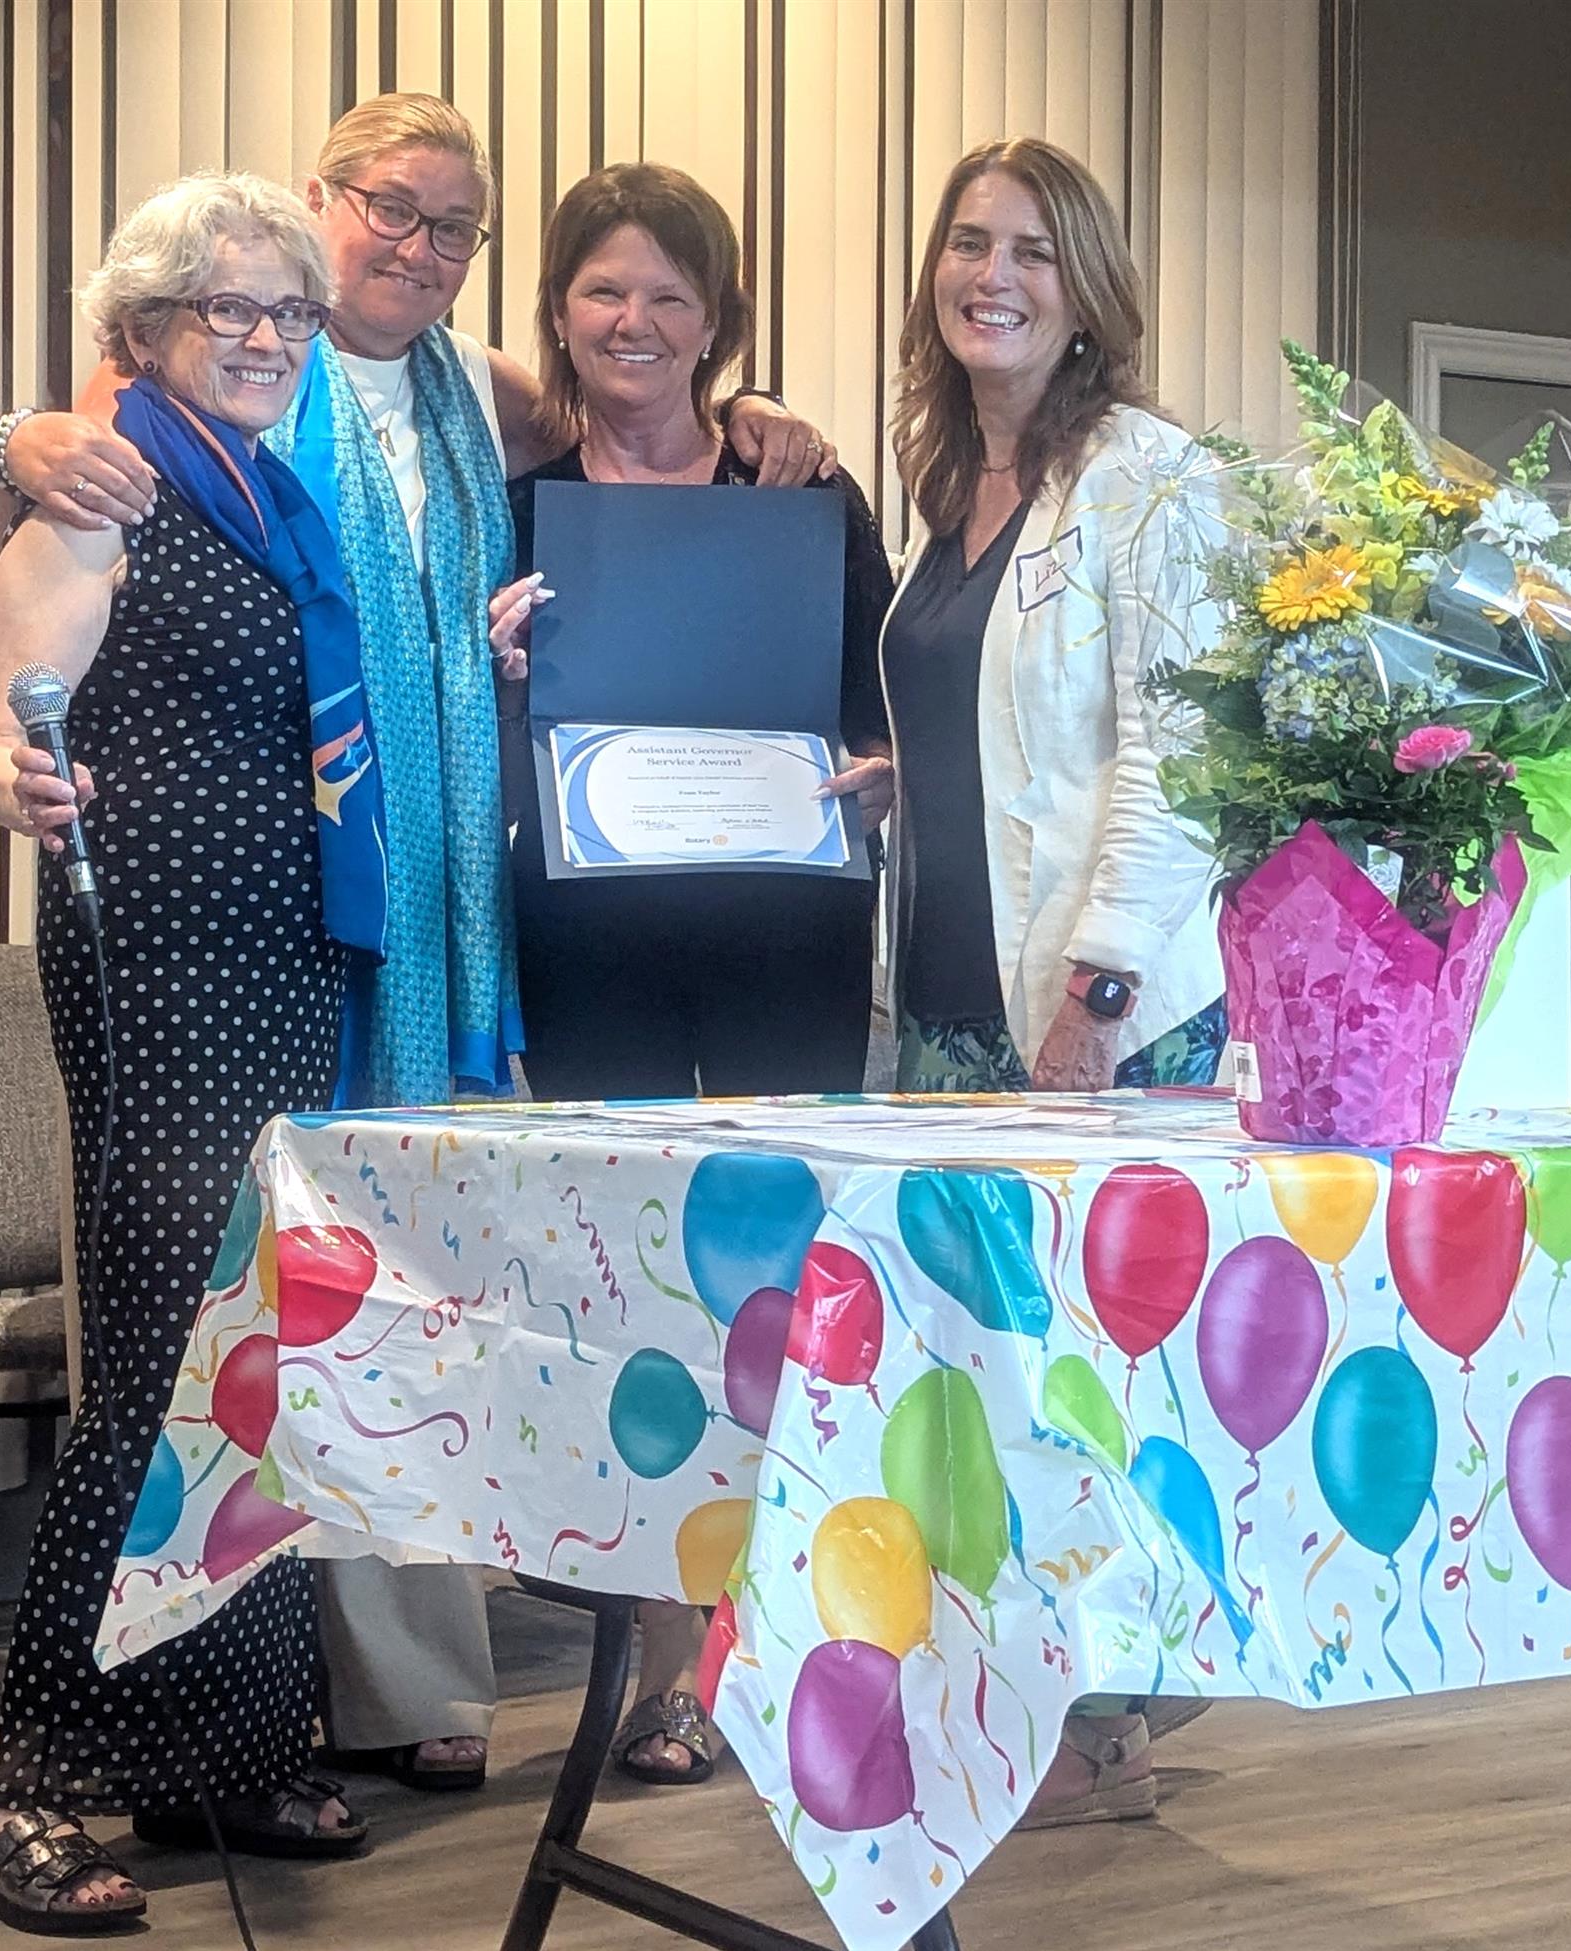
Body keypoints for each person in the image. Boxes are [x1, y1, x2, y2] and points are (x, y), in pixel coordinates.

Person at [0, 94, 838, 1798]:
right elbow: (32, 579)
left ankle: (322, 1711)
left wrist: (750, 416)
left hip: (398, 911)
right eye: (389, 209)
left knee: (366, 1297)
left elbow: (628, 391)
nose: (419, 250)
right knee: (208, 1328)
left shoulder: (468, 392)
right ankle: (133, 1741)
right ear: (316, 205)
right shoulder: (157, 415)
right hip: (208, 937)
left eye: (456, 228)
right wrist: (13, 449)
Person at [0, 171, 370, 1934]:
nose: (269, 336)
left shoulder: (276, 498)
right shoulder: (106, 477)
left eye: (291, 310)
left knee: (265, 1353)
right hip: (162, 972)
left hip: (280, 969)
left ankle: (227, 1745)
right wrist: (11, 769)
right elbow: (11, 720)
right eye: (231, 307)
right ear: (142, 328)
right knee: (158, 1357)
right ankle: (36, 1784)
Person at [488, 162, 894, 1780]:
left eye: (672, 294)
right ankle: (660, 1668)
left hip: (788, 938)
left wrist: (880, 770)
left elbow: (885, 710)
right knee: (633, 1293)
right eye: (604, 289)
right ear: (559, 314)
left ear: (720, 321)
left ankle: (776, 1640)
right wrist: (493, 672)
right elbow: (464, 741)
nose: (635, 321)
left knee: (783, 1284)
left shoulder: (805, 492)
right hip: (592, 947)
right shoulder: (515, 508)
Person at [881, 137, 1225, 1821]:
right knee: (977, 1380)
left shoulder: (1149, 478)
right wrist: (895, 776)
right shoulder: (955, 479)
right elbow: (1010, 735)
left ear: (1087, 292)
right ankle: (1012, 1703)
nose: (991, 277)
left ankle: (1113, 1724)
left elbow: (1179, 759)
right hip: (951, 1001)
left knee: (1089, 1381)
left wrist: (1096, 1001)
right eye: (969, 244)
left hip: (1095, 1014)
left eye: (1030, 250)